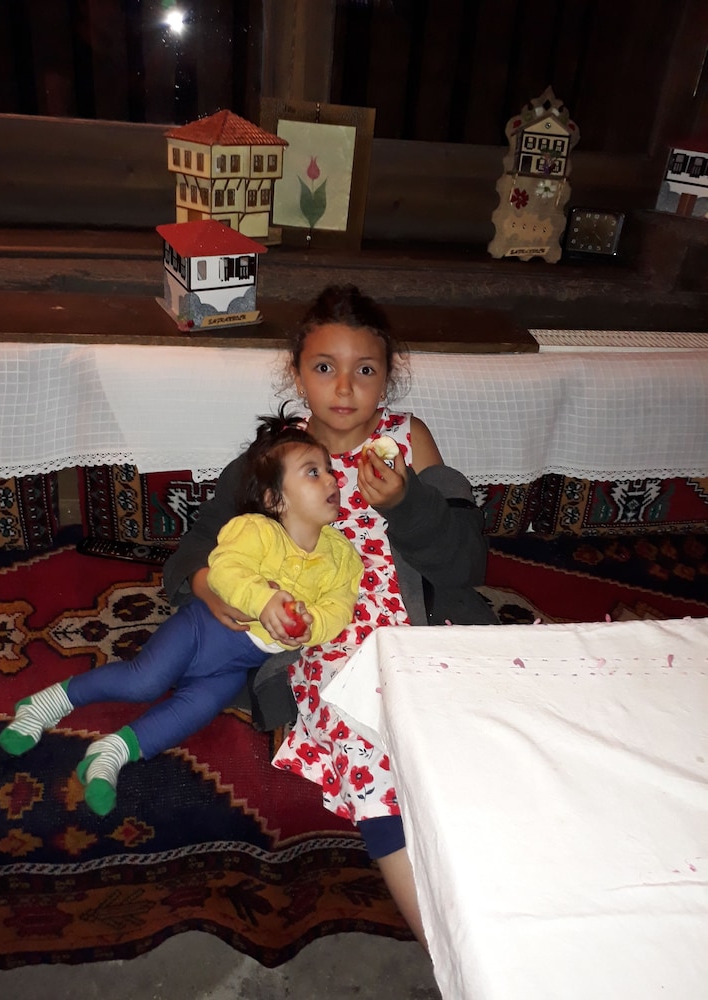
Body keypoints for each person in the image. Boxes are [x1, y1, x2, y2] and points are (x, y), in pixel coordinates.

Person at [163, 284, 496, 949]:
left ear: (387, 378)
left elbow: (467, 564)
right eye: (324, 367)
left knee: (472, 753)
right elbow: (192, 556)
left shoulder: (407, 443)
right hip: (329, 653)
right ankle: (454, 951)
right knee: (378, 762)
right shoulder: (274, 462)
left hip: (428, 636)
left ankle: (504, 902)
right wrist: (208, 585)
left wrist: (405, 504)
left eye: (364, 369)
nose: (344, 387)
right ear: (297, 375)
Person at [0, 407, 363, 817]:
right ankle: (46, 703)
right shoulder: (255, 529)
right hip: (202, 630)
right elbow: (226, 570)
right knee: (144, 682)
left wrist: (312, 625)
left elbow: (339, 605)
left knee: (193, 711)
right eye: (313, 472)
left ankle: (111, 753)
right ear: (274, 498)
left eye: (329, 471)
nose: (331, 479)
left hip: (237, 665)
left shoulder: (342, 556)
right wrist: (262, 601)